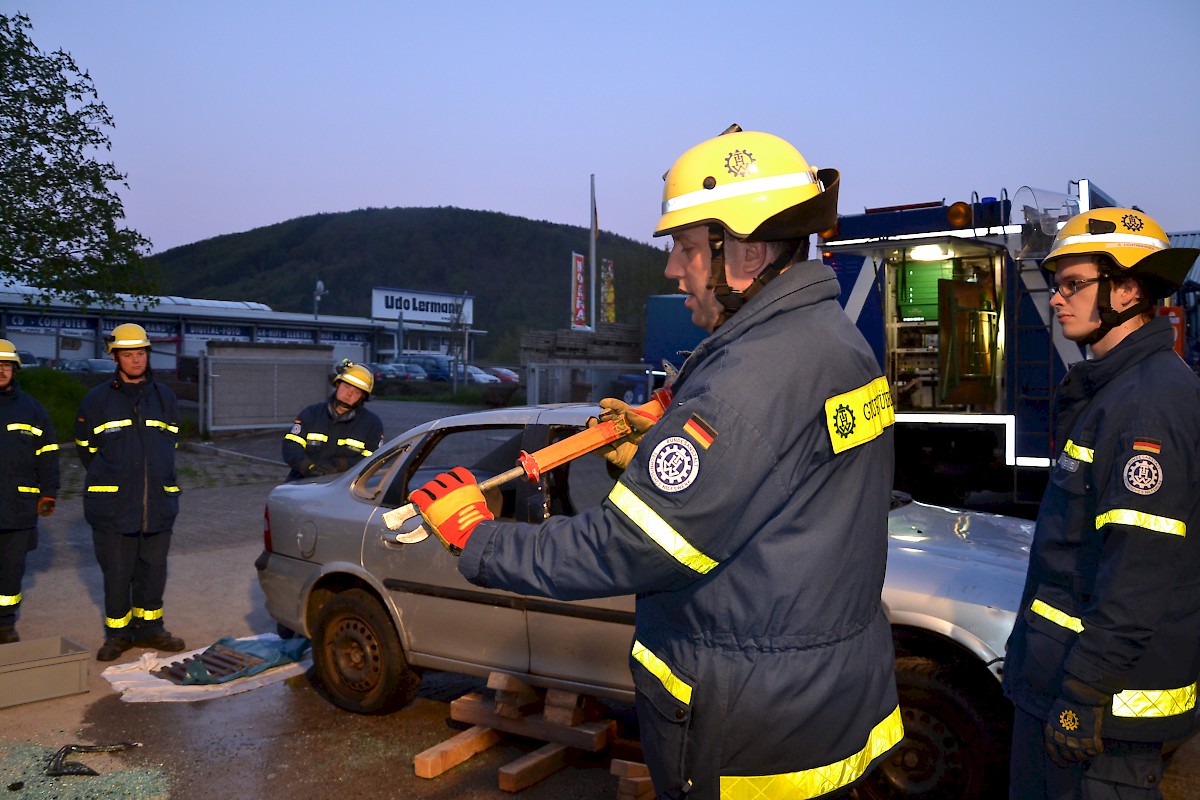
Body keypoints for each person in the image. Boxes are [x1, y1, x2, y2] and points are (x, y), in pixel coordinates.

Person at [409, 130, 902, 799]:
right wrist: (658, 450)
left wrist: (481, 535)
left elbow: (632, 547)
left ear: (747, 250)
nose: (673, 269)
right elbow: (775, 490)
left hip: (752, 735)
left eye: (688, 248)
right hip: (823, 701)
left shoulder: (746, 382)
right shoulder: (835, 341)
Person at [1003, 207, 1200, 799]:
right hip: (1072, 691)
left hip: (1102, 724)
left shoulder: (1146, 408)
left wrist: (1083, 692)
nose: (1057, 299)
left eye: (1072, 285)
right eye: (1056, 285)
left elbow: (1138, 574)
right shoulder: (1118, 390)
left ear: (1127, 289)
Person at [75, 323, 186, 661]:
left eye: (141, 353)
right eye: (128, 354)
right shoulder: (97, 400)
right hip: (113, 506)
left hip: (158, 503)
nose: (136, 360)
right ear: (115, 357)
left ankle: (151, 629)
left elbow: (172, 443)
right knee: (118, 573)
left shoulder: (164, 397)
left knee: (153, 570)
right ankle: (118, 635)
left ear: (147, 355)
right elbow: (85, 448)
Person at [0, 339, 59, 644]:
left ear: (15, 369)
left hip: (18, 507)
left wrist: (49, 492)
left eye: (6, 365)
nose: (0, 370)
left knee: (11, 571)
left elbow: (48, 453)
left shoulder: (31, 408)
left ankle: (5, 624)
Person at [282, 360, 383, 481]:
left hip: (344, 486)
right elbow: (291, 445)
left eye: (357, 392)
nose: (349, 394)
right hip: (302, 481)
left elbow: (374, 460)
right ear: (337, 384)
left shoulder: (371, 424)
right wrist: (307, 466)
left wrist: (342, 465)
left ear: (363, 397)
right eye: (346, 387)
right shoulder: (311, 414)